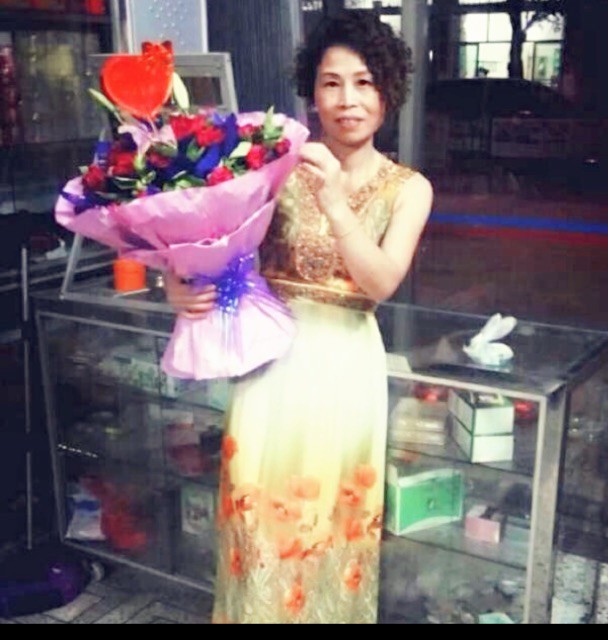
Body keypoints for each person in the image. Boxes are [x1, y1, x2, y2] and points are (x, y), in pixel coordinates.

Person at [164, 10, 433, 624]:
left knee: (332, 517)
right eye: (331, 83)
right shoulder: (272, 167)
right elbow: (218, 249)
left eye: (364, 83)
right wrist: (177, 281)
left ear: (389, 92)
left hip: (346, 369)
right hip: (269, 365)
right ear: (312, 91)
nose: (348, 100)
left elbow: (382, 281)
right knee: (258, 512)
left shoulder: (409, 188)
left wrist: (335, 202)